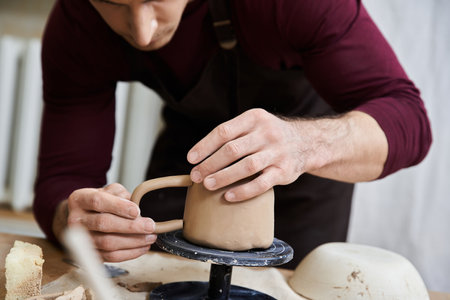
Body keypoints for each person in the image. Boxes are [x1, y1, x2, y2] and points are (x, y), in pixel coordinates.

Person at [34, 0, 432, 269]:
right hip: (188, 159)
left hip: (303, 169)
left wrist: (304, 144)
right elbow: (64, 176)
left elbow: (409, 120)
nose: (142, 32)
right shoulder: (77, 20)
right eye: (114, 4)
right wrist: (72, 219)